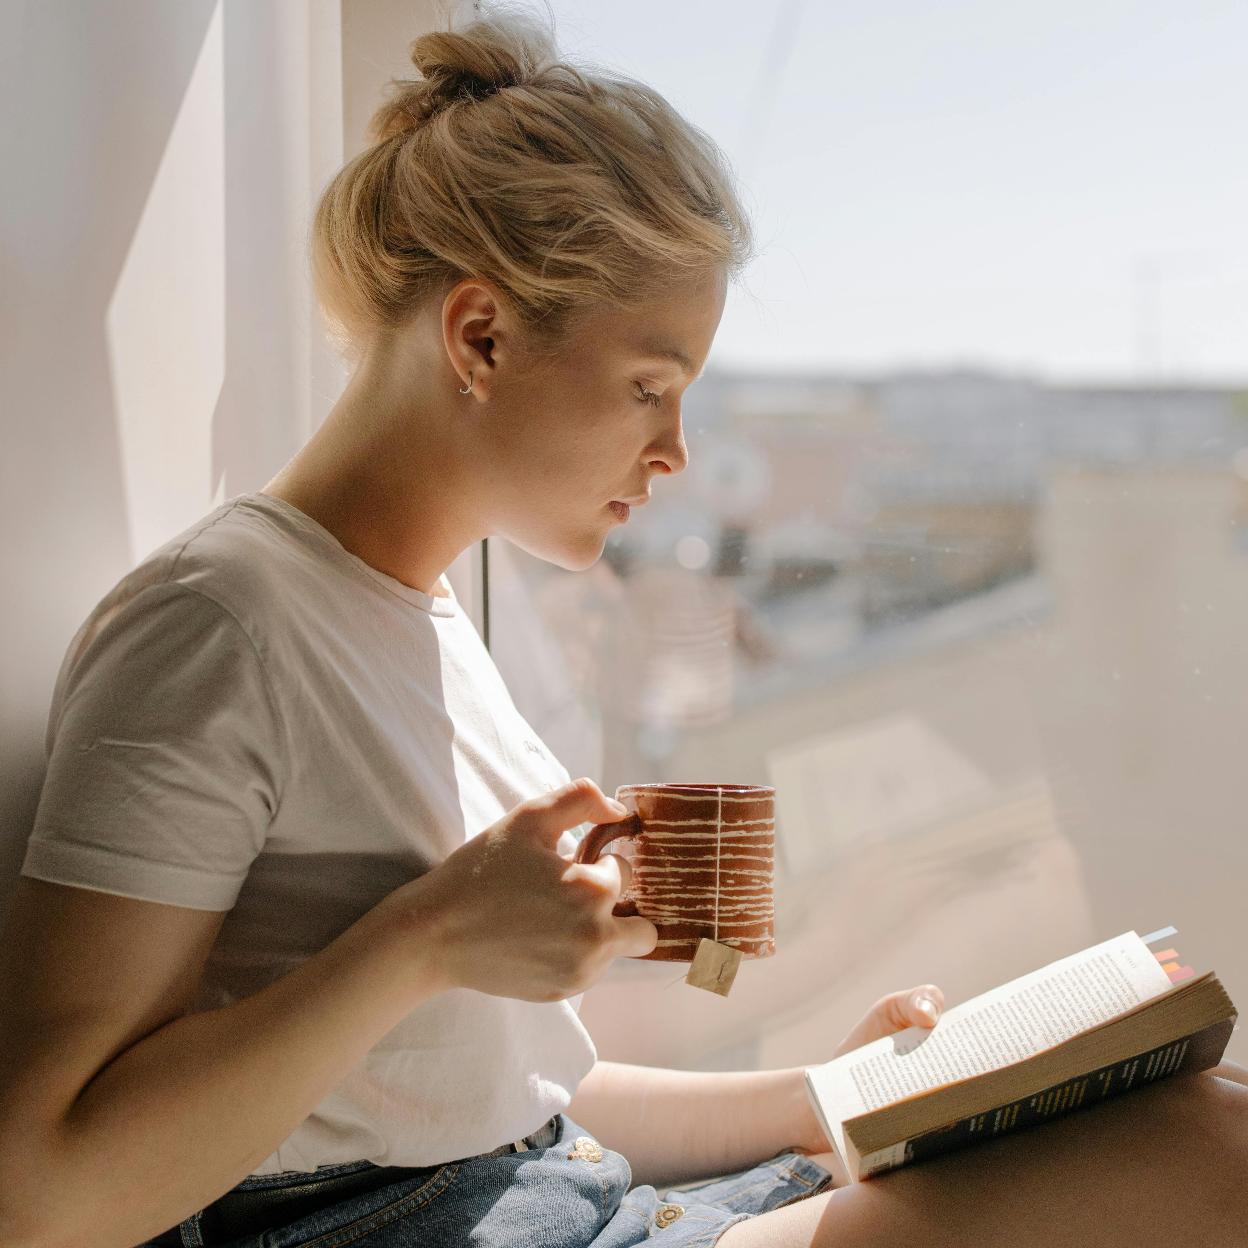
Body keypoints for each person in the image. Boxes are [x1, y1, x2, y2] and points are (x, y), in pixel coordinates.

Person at [1, 5, 1244, 1248]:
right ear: (479, 335)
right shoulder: (222, 622)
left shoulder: (427, 630)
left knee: (1203, 1117)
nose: (677, 452)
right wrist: (426, 937)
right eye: (651, 386)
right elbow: (47, 1190)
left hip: (563, 1202)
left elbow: (519, 1107)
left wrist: (822, 1095)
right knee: (1199, 1155)